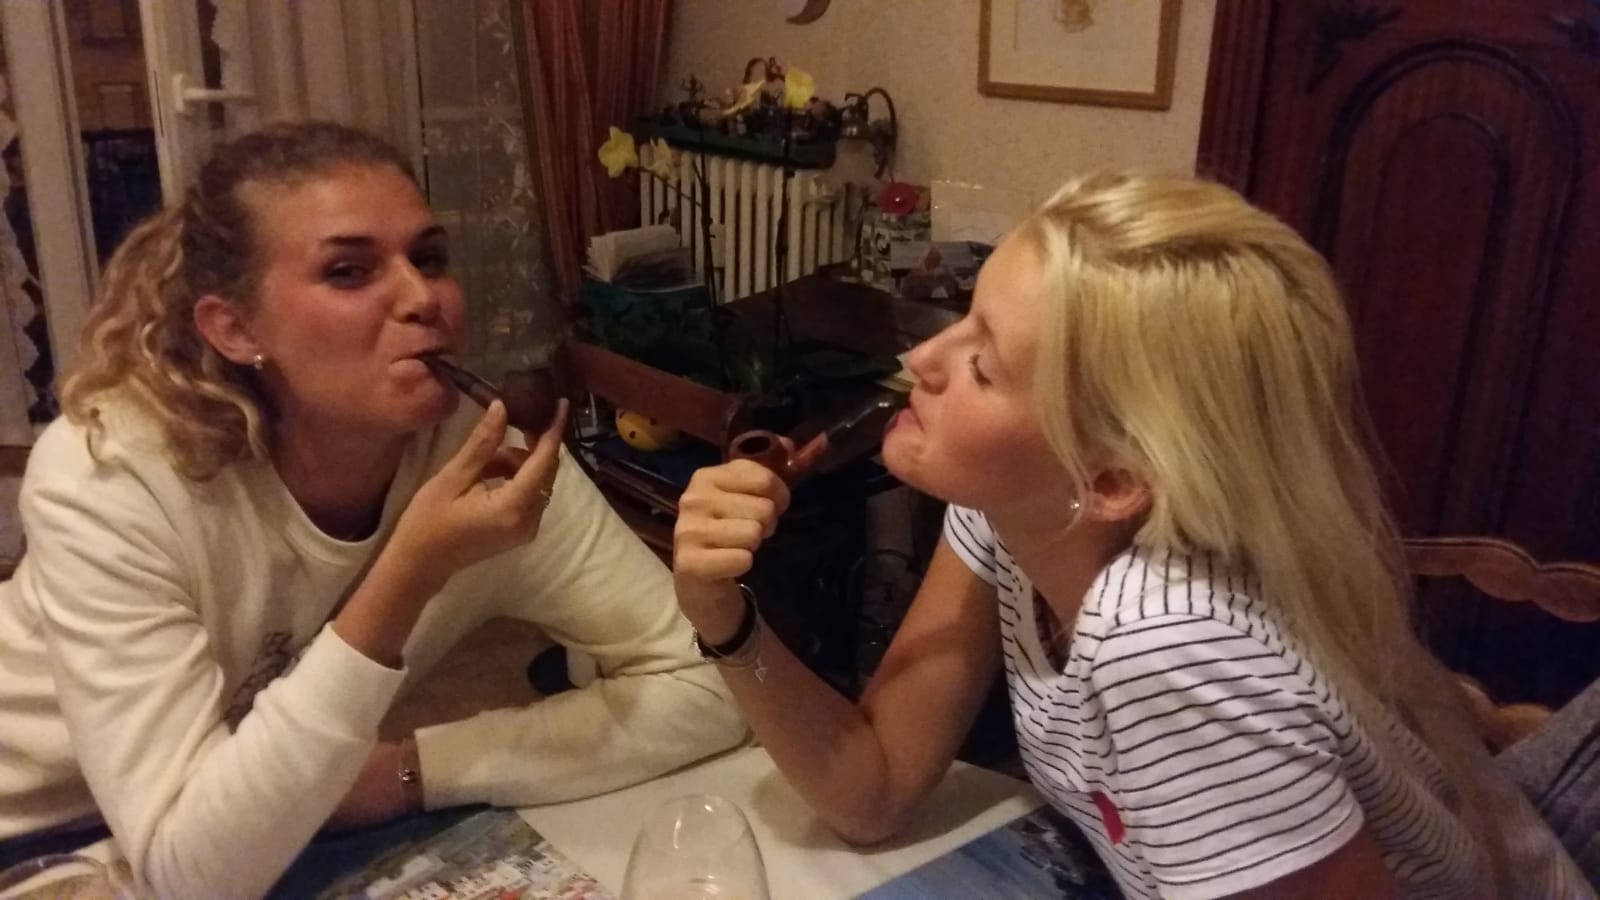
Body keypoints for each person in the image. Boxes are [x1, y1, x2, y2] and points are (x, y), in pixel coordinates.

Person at [673, 172, 1591, 898]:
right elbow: (870, 790)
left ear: (1109, 480)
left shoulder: (1169, 644)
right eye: (964, 321)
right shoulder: (1016, 514)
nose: (920, 359)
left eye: (984, 364)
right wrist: (722, 613)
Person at [0, 121, 745, 896]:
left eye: (430, 259)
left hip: (243, 825)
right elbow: (193, 876)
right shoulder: (112, 475)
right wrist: (409, 573)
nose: (423, 298)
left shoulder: (477, 456)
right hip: (38, 830)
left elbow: (711, 684)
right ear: (235, 328)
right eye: (349, 271)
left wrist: (413, 771)